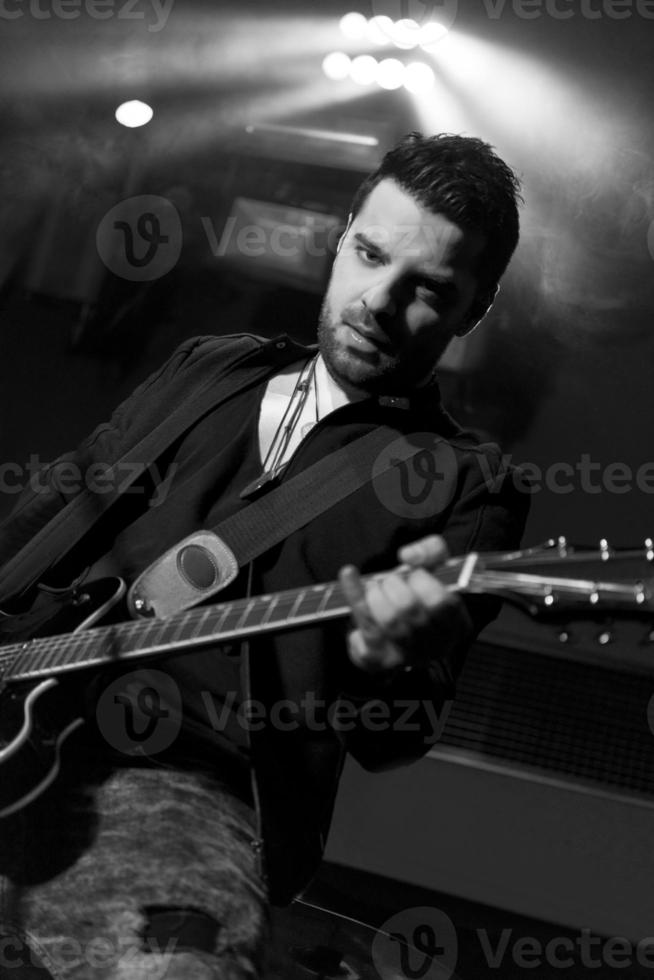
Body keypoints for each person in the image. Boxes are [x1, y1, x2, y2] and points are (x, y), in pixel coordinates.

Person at [0, 132, 528, 980]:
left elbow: (403, 732)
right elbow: (58, 505)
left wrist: (388, 657)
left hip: (185, 788)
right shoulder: (210, 367)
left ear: (475, 309)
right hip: (25, 709)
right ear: (342, 235)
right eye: (369, 254)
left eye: (427, 290)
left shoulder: (467, 482)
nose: (379, 302)